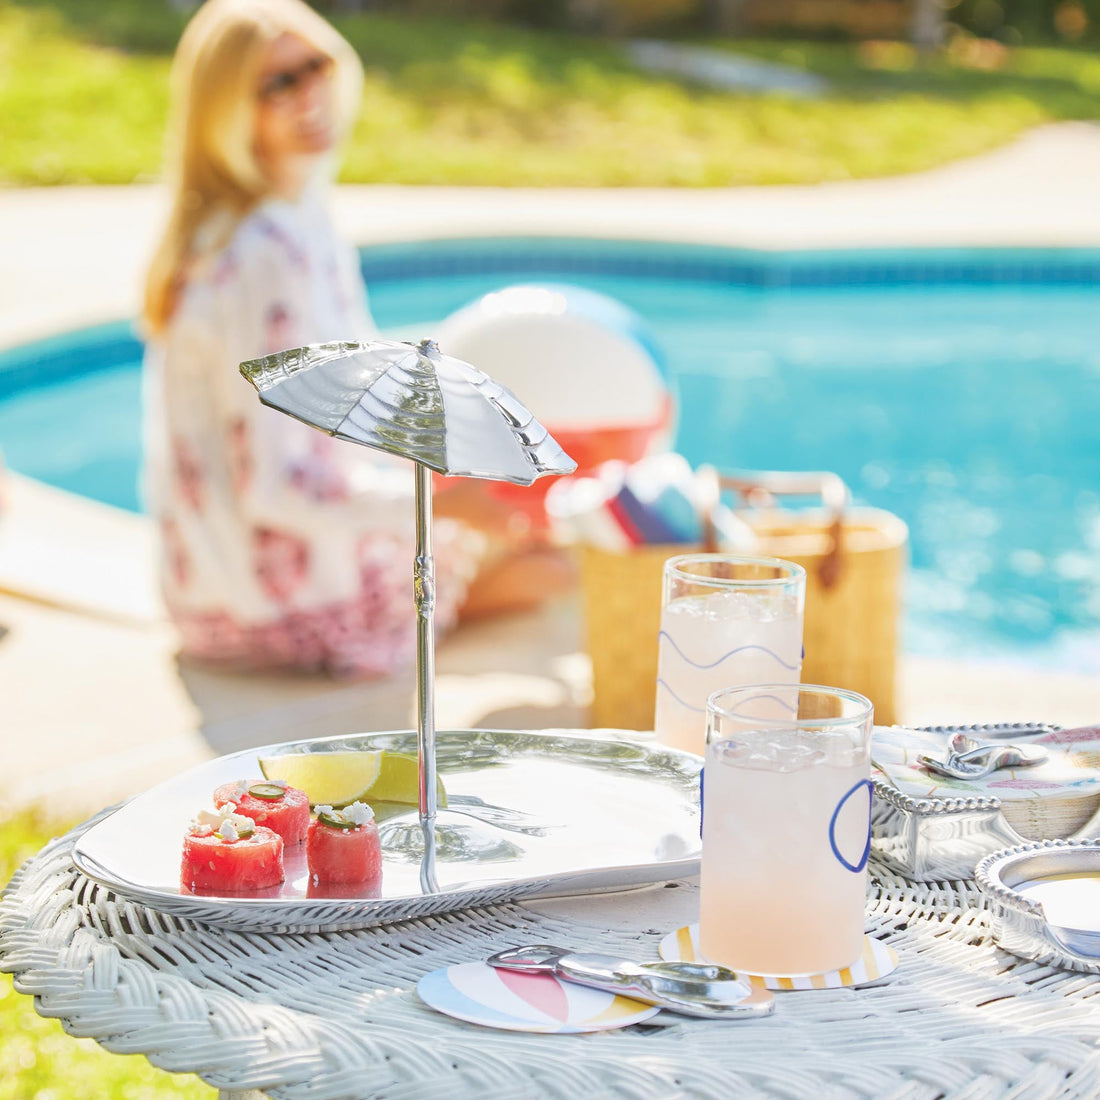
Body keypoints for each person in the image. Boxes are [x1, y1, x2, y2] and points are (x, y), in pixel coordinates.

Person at [142, 0, 567, 678]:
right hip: (268, 603)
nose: (308, 93)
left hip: (212, 591)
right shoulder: (265, 254)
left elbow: (353, 403)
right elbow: (275, 491)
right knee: (554, 563)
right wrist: (440, 502)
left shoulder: (282, 221)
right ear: (228, 111)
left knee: (533, 521)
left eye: (313, 66)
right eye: (275, 84)